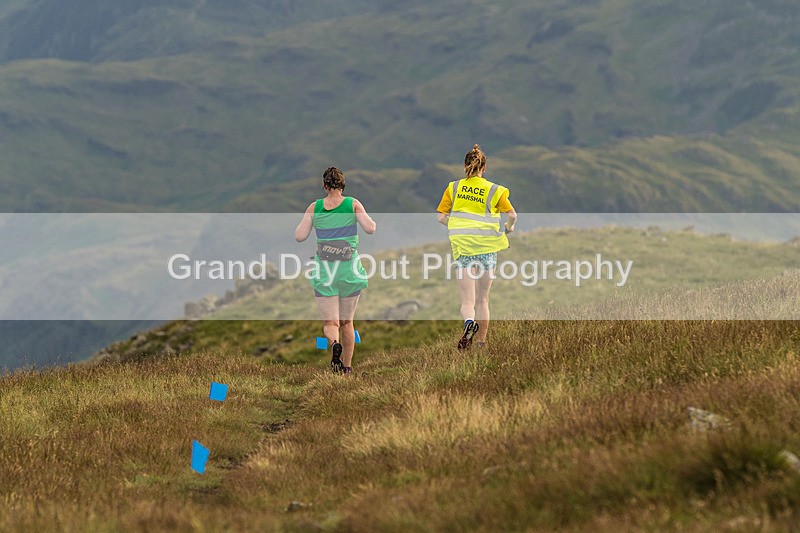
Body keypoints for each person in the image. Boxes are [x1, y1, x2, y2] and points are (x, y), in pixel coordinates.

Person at [295, 167, 376, 373]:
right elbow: (370, 228)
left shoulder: (315, 207)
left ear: (324, 185)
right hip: (349, 270)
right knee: (347, 322)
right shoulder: (353, 204)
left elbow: (300, 236)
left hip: (325, 271)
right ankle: (347, 368)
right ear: (343, 185)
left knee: (331, 322)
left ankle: (334, 344)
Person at [436, 144, 517, 349]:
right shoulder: (495, 190)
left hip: (463, 249)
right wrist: (508, 228)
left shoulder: (453, 187)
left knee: (467, 302)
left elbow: (441, 218)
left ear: (465, 166)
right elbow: (512, 215)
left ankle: (468, 323)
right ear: (484, 168)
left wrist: (455, 224)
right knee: (483, 300)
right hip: (487, 249)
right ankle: (480, 343)